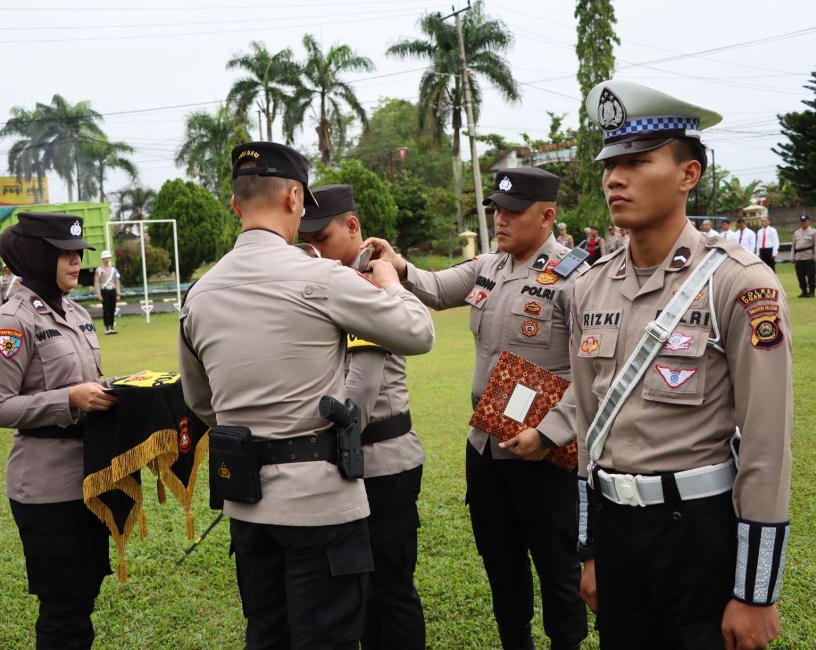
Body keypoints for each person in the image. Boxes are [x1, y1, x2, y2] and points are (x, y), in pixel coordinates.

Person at [178, 141, 435, 649]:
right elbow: (418, 332)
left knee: (267, 633)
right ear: (295, 198)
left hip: (247, 501)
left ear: (235, 205)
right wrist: (389, 281)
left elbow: (199, 400)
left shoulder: (199, 295)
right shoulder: (323, 278)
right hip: (320, 501)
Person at [573, 79, 791, 649]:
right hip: (617, 531)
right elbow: (586, 431)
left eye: (638, 162)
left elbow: (767, 445)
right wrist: (590, 549)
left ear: (688, 175)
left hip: (697, 533)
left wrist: (755, 591)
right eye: (609, 164)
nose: (614, 178)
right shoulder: (589, 288)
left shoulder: (738, 282)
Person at [365, 166, 588, 650]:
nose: (500, 220)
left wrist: (549, 433)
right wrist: (398, 267)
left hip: (544, 455)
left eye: (513, 211)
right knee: (501, 563)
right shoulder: (491, 265)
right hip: (486, 448)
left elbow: (592, 373)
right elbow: (438, 289)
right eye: (496, 210)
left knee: (557, 566)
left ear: (547, 216)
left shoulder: (576, 279)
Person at [0, 212, 118, 650]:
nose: (77, 262)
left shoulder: (75, 312)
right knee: (63, 607)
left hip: (89, 478)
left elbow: (88, 380)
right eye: (66, 254)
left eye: (79, 254)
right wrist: (69, 400)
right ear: (39, 256)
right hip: (46, 489)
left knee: (85, 596)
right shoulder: (11, 323)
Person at [298, 184, 427, 650]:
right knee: (363, 591)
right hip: (358, 458)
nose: (315, 251)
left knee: (389, 591)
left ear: (353, 227)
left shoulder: (368, 284)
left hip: (380, 460)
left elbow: (360, 393)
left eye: (323, 238)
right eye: (305, 241)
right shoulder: (332, 281)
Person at [94, 251, 121, 335]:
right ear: (102, 259)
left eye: (108, 257)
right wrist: (99, 294)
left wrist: (118, 293)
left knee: (112, 309)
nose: (106, 259)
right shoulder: (99, 270)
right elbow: (97, 282)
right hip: (104, 291)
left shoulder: (114, 269)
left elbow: (117, 282)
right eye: (105, 258)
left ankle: (112, 327)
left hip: (112, 290)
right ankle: (107, 328)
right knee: (106, 310)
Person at [791, 214, 816, 297]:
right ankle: (804, 291)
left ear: (808, 221)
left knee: (810, 275)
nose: (803, 223)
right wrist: (792, 257)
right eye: (801, 221)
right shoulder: (796, 233)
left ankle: (811, 292)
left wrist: (815, 256)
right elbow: (793, 246)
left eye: (804, 221)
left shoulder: (813, 232)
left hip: (809, 256)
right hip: (798, 257)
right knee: (800, 276)